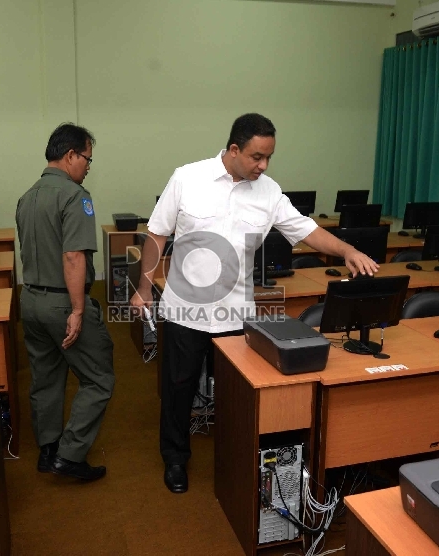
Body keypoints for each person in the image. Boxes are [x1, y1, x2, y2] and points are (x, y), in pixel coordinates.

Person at [130, 113, 380, 493]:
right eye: (256, 157)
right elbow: (157, 233)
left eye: (268, 158)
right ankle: (176, 459)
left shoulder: (269, 192)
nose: (263, 166)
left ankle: (236, 461)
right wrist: (144, 286)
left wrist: (346, 249)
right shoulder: (188, 178)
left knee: (237, 394)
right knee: (178, 389)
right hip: (185, 309)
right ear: (234, 149)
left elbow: (307, 230)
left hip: (235, 313)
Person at [16, 123, 115, 482]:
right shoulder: (76, 196)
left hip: (31, 300)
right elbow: (73, 256)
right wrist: (77, 310)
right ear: (71, 155)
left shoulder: (27, 196)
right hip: (63, 304)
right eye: (87, 158)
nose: (88, 166)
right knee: (99, 378)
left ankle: (47, 450)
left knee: (45, 377)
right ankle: (70, 455)